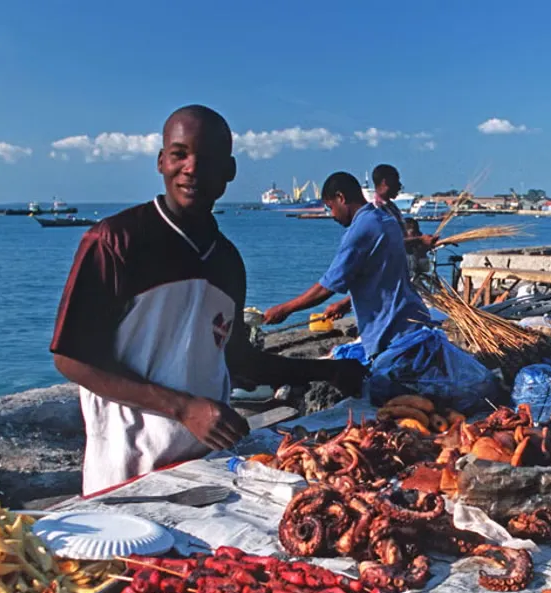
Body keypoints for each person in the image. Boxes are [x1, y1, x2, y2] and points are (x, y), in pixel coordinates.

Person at [50, 105, 365, 495]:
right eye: (180, 154)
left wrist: (327, 373)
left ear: (229, 171)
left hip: (208, 465)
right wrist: (185, 408)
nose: (192, 168)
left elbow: (235, 360)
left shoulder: (227, 262)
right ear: (162, 161)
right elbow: (71, 358)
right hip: (128, 472)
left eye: (209, 158)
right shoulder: (116, 243)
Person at [262, 172, 431, 360]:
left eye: (330, 207)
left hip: (392, 332)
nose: (331, 214)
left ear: (341, 197)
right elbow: (384, 278)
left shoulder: (362, 228)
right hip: (412, 321)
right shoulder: (385, 220)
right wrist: (346, 303)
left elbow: (326, 288)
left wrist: (284, 309)